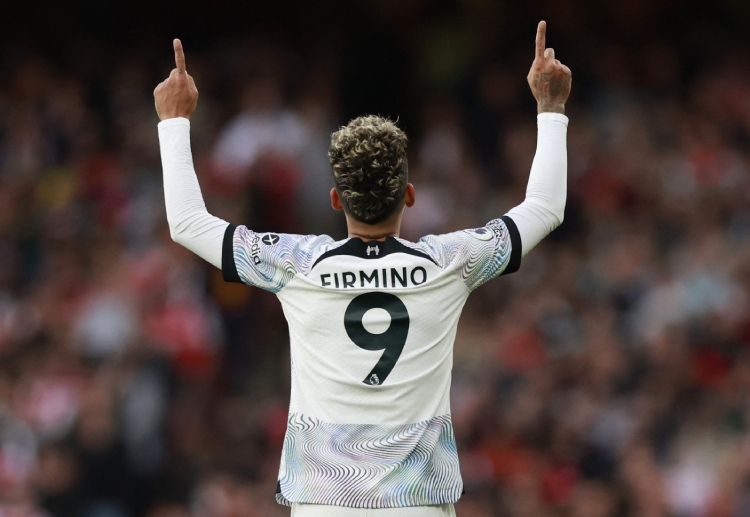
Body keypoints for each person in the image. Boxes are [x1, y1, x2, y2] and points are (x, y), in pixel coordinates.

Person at [153, 20, 571, 517]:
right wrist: (551, 107)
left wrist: (173, 119)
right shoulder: (449, 264)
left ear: (335, 200)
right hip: (419, 505)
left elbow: (186, 223)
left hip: (325, 503)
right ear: (409, 196)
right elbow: (544, 208)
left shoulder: (295, 265)